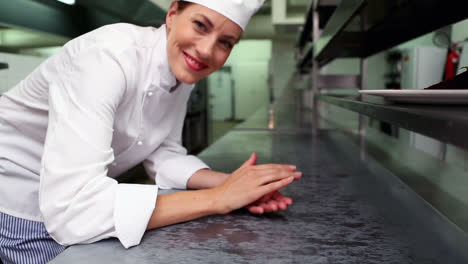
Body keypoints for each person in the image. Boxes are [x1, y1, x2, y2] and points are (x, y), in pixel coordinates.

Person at [0, 0, 302, 263]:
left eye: (226, 42)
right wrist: (219, 198)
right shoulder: (106, 58)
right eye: (199, 25)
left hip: (74, 204)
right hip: (18, 201)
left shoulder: (179, 69)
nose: (207, 50)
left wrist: (233, 185)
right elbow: (74, 211)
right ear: (172, 14)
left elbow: (163, 150)